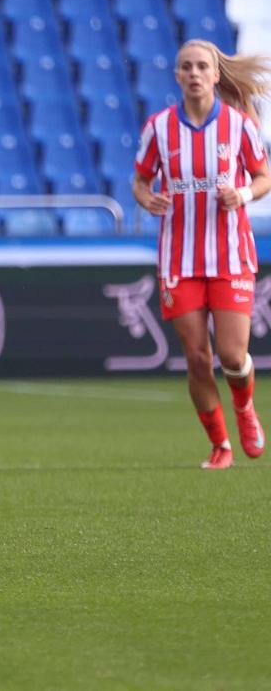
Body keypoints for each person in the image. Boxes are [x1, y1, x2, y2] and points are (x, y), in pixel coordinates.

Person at [133, 39, 271, 470]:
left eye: (201, 67)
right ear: (177, 76)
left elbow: (264, 175)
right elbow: (139, 180)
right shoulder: (158, 128)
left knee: (232, 356)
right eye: (185, 67)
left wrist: (244, 192)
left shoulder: (238, 126)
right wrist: (146, 198)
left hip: (230, 257)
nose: (193, 73)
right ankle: (220, 444)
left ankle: (245, 409)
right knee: (196, 357)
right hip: (179, 260)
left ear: (215, 75)